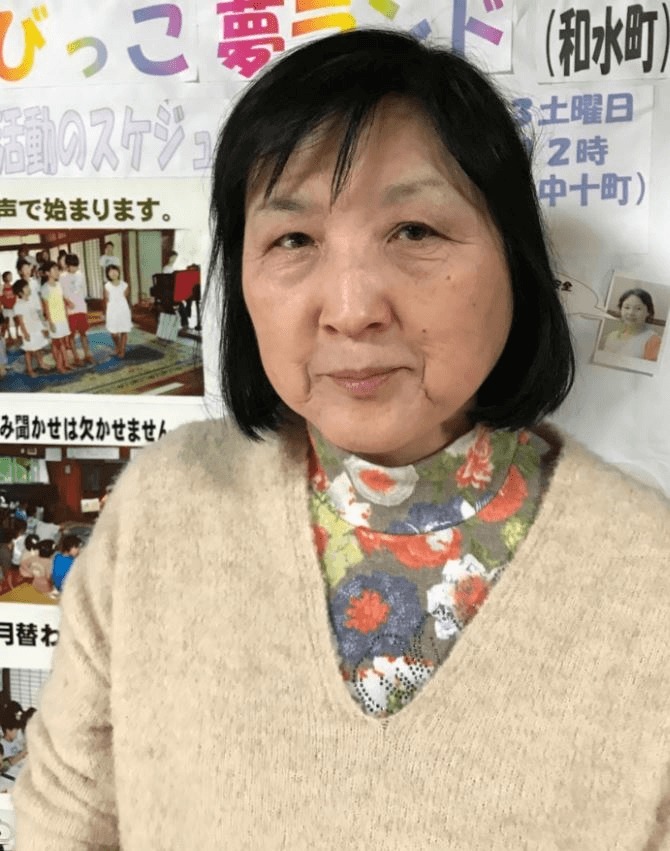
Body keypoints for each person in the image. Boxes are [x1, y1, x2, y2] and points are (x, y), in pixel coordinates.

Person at [13, 29, 670, 851]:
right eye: (293, 240)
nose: (353, 308)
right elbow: (64, 816)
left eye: (415, 231)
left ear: (517, 260)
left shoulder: (648, 572)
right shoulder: (162, 506)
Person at [602, 287, 662, 360]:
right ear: (620, 309)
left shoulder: (653, 340)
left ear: (648, 312)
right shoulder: (611, 336)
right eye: (627, 307)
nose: (631, 313)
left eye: (638, 308)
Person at [61, 253, 94, 365]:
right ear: (67, 265)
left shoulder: (80, 275)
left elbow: (82, 291)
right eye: (72, 266)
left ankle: (87, 354)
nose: (75, 268)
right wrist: (68, 302)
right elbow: (61, 293)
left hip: (81, 308)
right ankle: (76, 357)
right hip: (71, 311)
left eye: (76, 266)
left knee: (83, 333)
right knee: (72, 335)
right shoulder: (62, 277)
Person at [12, 280, 50, 377]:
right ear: (20, 292)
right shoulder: (18, 305)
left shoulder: (31, 301)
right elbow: (21, 322)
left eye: (28, 286)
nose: (28, 289)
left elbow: (36, 316)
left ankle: (41, 363)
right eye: (26, 287)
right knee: (29, 351)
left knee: (38, 348)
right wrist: (25, 333)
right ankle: (29, 370)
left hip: (36, 329)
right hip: (28, 331)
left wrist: (42, 328)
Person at [39, 261, 71, 374]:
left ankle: (66, 363)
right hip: (54, 319)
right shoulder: (45, 288)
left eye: (58, 269)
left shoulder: (59, 285)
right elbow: (46, 308)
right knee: (57, 343)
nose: (57, 272)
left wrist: (66, 315)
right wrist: (51, 322)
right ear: (47, 273)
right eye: (55, 270)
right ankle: (59, 365)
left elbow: (62, 301)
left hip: (62, 317)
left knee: (62, 341)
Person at [104, 264, 132, 358]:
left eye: (115, 270)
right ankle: (118, 346)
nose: (113, 273)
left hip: (123, 310)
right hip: (112, 311)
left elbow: (125, 297)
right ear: (107, 274)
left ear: (118, 272)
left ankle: (122, 349)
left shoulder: (125, 285)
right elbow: (106, 300)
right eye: (110, 271)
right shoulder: (107, 286)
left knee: (124, 330)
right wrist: (104, 313)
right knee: (114, 333)